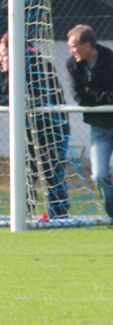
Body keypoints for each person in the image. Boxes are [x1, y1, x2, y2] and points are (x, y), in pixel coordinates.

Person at [0, 33, 70, 219]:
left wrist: (26, 101)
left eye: (5, 54)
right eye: (0, 54)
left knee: (52, 173)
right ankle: (24, 215)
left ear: (18, 53)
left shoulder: (41, 67)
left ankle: (59, 216)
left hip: (52, 128)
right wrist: (19, 100)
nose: (1, 59)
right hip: (24, 130)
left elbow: (45, 98)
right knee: (25, 173)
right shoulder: (0, 68)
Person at [66, 24, 113, 221]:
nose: (71, 51)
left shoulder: (110, 59)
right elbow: (79, 97)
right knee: (99, 176)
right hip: (99, 129)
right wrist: (102, 96)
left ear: (87, 45)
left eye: (74, 46)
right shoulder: (72, 64)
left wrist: (91, 93)